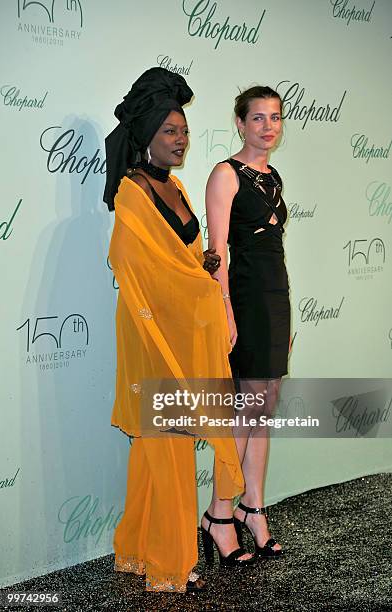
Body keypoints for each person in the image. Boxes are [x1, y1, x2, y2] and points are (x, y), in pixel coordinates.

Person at [103, 68, 252, 594]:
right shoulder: (131, 193)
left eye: (184, 130)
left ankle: (139, 550)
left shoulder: (177, 187)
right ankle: (169, 563)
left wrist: (204, 262)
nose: (180, 139)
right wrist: (194, 276)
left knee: (157, 449)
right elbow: (131, 262)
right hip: (153, 340)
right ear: (146, 136)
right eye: (169, 130)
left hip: (183, 335)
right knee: (164, 447)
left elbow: (183, 258)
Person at [205, 85, 290, 558]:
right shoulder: (225, 174)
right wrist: (226, 311)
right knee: (248, 406)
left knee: (266, 402)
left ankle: (251, 507)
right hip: (246, 296)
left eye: (275, 117)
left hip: (276, 293)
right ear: (240, 123)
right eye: (258, 118)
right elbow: (216, 253)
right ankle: (219, 512)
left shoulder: (273, 175)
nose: (267, 126)